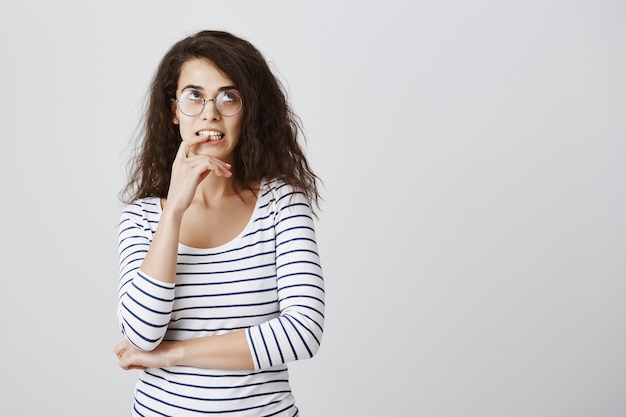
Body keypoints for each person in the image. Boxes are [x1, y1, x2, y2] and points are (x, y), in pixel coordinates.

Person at [113, 30, 325, 416]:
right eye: (194, 95)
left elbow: (302, 333)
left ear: (248, 111)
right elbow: (142, 335)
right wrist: (174, 211)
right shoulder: (142, 219)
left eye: (229, 97)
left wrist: (172, 354)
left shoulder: (282, 205)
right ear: (174, 109)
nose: (210, 111)